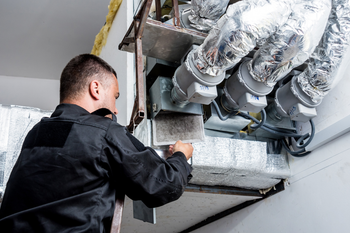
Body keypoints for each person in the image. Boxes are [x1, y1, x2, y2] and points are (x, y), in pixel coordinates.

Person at [0, 54, 194, 232]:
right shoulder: (101, 131)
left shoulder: (35, 133)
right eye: (115, 97)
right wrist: (181, 156)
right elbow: (163, 184)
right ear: (96, 89)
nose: (116, 110)